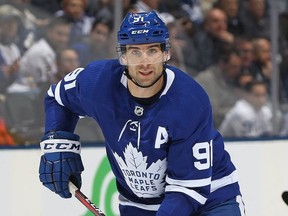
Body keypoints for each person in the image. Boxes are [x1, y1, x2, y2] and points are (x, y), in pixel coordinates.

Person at [38, 11, 245, 216]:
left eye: (152, 51)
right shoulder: (97, 82)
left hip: (211, 200)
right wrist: (59, 144)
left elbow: (188, 189)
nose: (145, 62)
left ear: (165, 53)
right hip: (140, 205)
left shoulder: (189, 101)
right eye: (135, 52)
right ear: (123, 56)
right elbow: (58, 98)